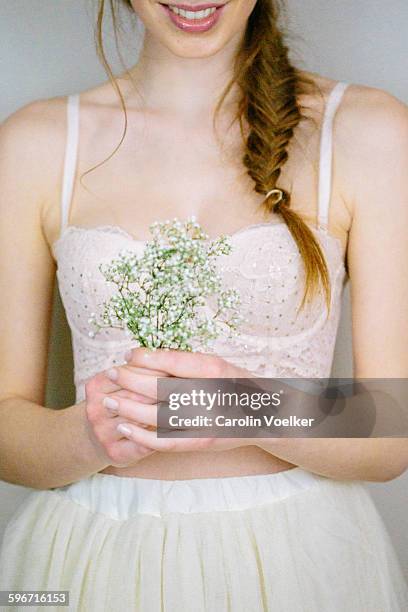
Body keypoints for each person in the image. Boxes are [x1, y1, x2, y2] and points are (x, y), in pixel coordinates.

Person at [0, 1, 407, 610]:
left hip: (298, 558)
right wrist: (91, 432)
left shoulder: (368, 129)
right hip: (93, 558)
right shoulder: (35, 142)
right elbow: (7, 429)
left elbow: (391, 430)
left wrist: (249, 408)